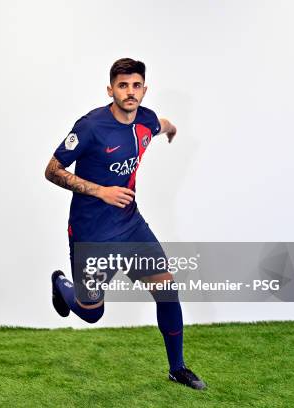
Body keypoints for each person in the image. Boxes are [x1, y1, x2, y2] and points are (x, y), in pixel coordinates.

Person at [45, 58, 206, 390]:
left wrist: (172, 129)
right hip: (91, 233)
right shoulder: (90, 127)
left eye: (136, 86)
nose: (130, 92)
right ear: (111, 89)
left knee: (167, 289)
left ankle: (177, 368)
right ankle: (62, 285)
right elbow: (52, 170)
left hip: (130, 226)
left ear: (144, 89)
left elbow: (161, 124)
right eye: (123, 85)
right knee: (92, 313)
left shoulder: (146, 120)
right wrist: (99, 190)